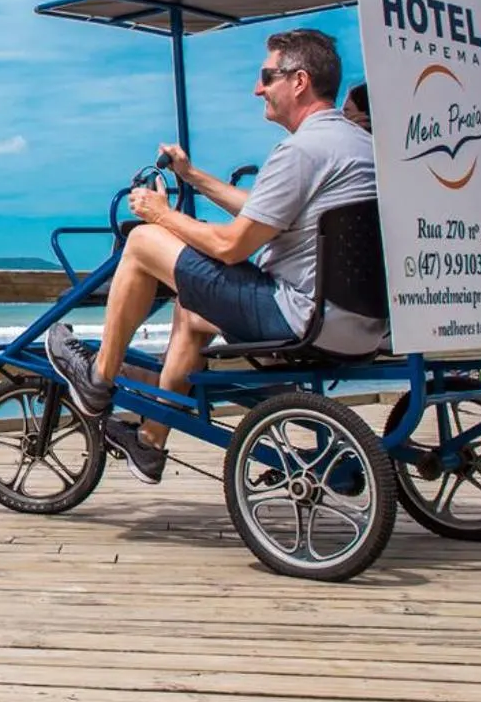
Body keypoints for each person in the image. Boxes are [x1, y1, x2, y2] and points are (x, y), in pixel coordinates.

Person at [45, 29, 386, 484]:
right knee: (192, 309)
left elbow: (231, 245)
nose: (257, 88)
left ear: (299, 81)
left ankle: (98, 378)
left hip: (300, 318)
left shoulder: (302, 151)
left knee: (144, 241)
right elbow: (261, 210)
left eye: (267, 76)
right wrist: (192, 176)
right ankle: (150, 443)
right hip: (360, 324)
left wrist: (161, 215)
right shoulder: (357, 147)